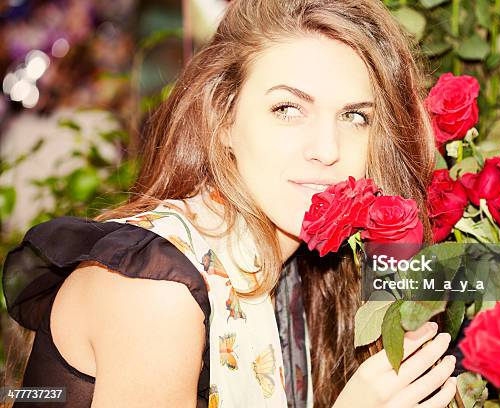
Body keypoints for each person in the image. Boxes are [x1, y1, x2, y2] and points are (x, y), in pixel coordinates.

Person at [2, 0, 458, 407]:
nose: (327, 148)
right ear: (223, 119)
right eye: (288, 109)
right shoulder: (156, 291)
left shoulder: (301, 278)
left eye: (354, 116)